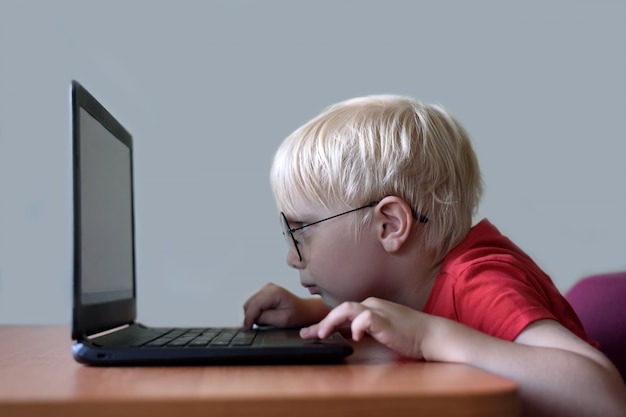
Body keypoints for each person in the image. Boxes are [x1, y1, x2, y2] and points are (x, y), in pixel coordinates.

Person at [242, 95, 626, 417]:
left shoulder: (480, 283)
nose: (292, 257)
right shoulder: (423, 282)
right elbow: (406, 320)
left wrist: (429, 337)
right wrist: (321, 315)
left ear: (389, 226)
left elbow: (606, 399)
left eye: (301, 230)